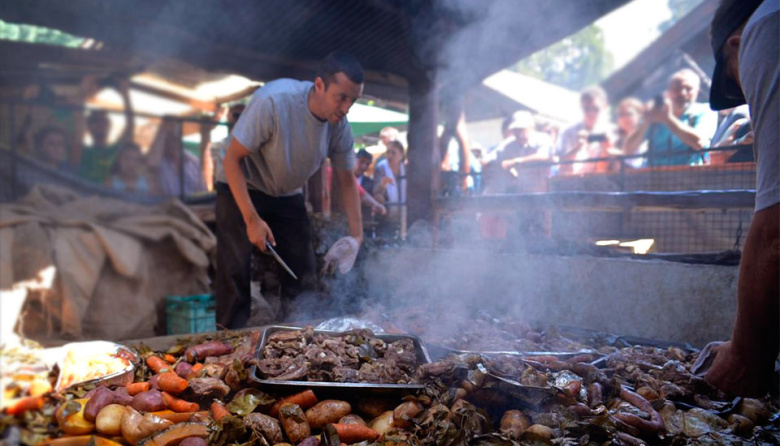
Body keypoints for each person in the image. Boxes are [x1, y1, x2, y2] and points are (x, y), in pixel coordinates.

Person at [216, 51, 365, 329]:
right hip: (240, 182)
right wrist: (251, 219)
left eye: (353, 100)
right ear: (319, 85)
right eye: (341, 97)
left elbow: (347, 180)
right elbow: (232, 159)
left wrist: (357, 237)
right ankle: (228, 339)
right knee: (235, 270)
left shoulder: (340, 127)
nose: (346, 108)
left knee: (303, 271)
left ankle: (298, 336)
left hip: (285, 193)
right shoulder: (274, 101)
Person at [698, 0, 778, 397]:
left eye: (734, 82)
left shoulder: (766, 27)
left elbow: (777, 230)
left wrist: (746, 354)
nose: (744, 97)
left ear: (736, 45)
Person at [623, 69, 718, 167]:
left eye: (688, 89)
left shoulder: (705, 110)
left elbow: (699, 143)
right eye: (677, 89)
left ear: (697, 91)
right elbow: (628, 151)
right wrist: (646, 120)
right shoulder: (656, 113)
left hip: (690, 174)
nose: (682, 93)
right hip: (654, 175)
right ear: (668, 92)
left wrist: (668, 119)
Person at [78, 77, 135, 184]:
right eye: (97, 121)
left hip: (111, 193)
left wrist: (125, 95)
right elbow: (78, 123)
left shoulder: (115, 150)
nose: (102, 124)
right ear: (89, 127)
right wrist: (83, 95)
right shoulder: (83, 151)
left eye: (105, 121)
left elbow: (130, 128)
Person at [483, 111, 553, 193]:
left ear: (532, 128)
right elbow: (487, 159)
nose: (519, 133)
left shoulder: (543, 139)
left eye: (522, 129)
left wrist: (516, 161)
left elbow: (544, 156)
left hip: (543, 191)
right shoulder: (508, 144)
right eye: (515, 130)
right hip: (521, 192)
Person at [557, 86, 617, 175]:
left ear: (604, 107)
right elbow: (562, 167)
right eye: (587, 109)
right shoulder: (568, 132)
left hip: (601, 179)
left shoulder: (612, 132)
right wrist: (576, 148)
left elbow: (616, 167)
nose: (591, 113)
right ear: (581, 108)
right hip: (574, 179)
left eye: (596, 109)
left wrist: (608, 149)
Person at [148, 119, 206, 197]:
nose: (171, 143)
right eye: (168, 139)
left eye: (174, 139)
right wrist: (163, 130)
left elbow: (202, 187)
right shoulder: (160, 162)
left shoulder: (192, 161)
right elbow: (152, 163)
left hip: (195, 201)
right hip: (170, 202)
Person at [207, 103, 246, 190]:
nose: (240, 119)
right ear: (228, 117)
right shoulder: (217, 147)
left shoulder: (253, 147)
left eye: (244, 115)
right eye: (236, 115)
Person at [373, 139, 406, 213]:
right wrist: (382, 185)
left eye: (393, 153)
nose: (390, 155)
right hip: (386, 213)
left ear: (401, 155)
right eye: (388, 152)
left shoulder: (406, 170)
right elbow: (375, 192)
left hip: (404, 213)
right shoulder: (381, 168)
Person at [614, 98, 647, 169]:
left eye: (629, 114)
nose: (624, 118)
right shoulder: (616, 140)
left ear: (640, 115)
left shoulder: (647, 137)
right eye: (621, 115)